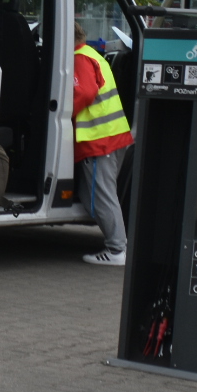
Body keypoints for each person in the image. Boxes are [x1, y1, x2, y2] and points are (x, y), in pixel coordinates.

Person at [74, 21, 133, 266]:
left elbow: (85, 93)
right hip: (110, 136)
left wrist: (61, 111)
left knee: (102, 196)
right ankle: (116, 243)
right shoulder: (93, 55)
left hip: (100, 140)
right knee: (92, 197)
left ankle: (117, 249)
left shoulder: (80, 59)